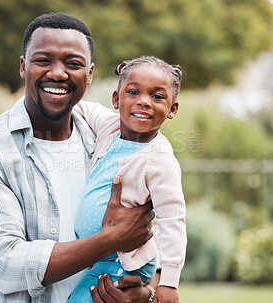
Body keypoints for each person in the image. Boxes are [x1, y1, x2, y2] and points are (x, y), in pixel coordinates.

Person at [0, 12, 156, 303]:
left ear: (89, 74)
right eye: (43, 60)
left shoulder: (110, 143)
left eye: (73, 64)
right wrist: (109, 240)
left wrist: (145, 294)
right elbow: (5, 264)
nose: (58, 73)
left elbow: (147, 235)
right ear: (23, 67)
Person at [67, 56, 187, 303]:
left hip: (123, 261)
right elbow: (82, 107)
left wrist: (169, 283)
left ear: (172, 109)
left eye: (157, 97)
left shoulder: (159, 160)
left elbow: (173, 221)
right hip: (99, 254)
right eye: (133, 92)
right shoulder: (110, 128)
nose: (143, 101)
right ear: (116, 99)